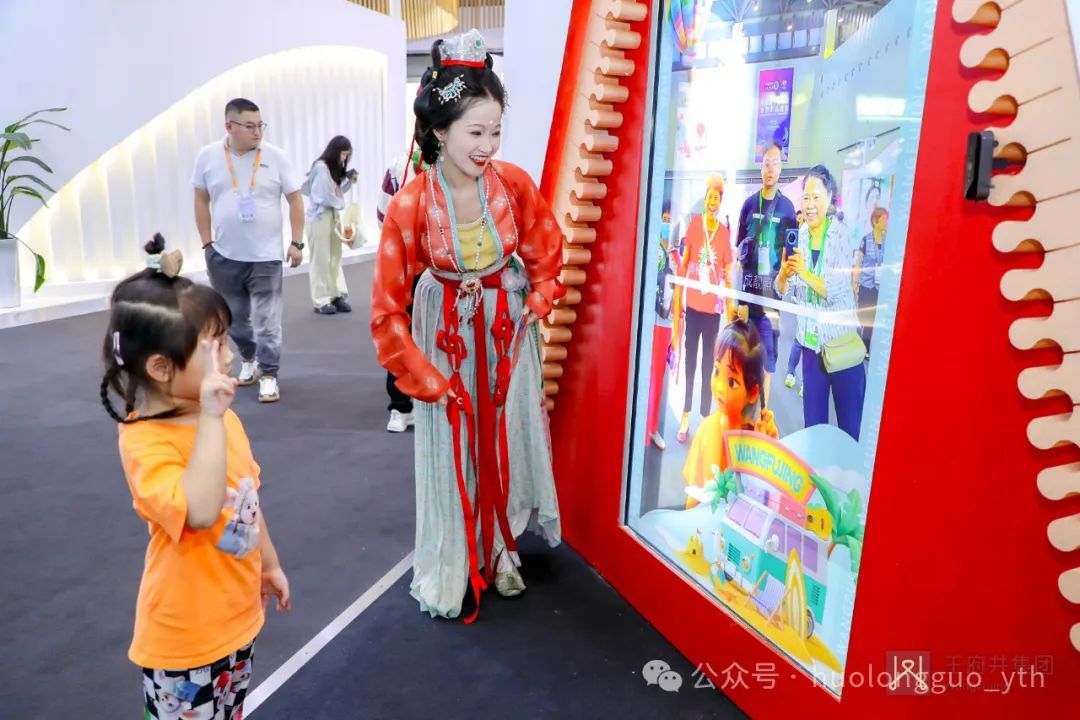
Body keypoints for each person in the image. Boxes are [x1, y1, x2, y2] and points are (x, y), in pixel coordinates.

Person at [370, 29, 564, 621]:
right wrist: (421, 375)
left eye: (495, 132)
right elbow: (386, 309)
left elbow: (546, 250)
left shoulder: (514, 184)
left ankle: (503, 548)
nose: (487, 146)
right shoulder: (410, 204)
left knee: (504, 440)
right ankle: (459, 556)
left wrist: (536, 301)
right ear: (439, 131)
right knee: (457, 446)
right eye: (475, 132)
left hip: (506, 334)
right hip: (445, 338)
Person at [101, 234, 291, 719]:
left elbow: (247, 498)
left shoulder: (225, 421)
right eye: (214, 346)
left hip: (238, 622)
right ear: (161, 367)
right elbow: (201, 511)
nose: (227, 357)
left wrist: (268, 566)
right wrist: (210, 417)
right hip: (184, 644)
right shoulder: (145, 440)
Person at [193, 98, 304, 404]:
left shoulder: (276, 157)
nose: (257, 132)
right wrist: (207, 244)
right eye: (250, 126)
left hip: (266, 257)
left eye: (260, 125)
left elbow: (295, 199)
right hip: (224, 255)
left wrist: (296, 242)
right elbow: (200, 199)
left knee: (267, 320)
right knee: (235, 319)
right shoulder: (207, 157)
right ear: (229, 126)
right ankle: (249, 357)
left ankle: (269, 374)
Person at [776, 165, 866, 441]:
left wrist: (803, 272)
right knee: (813, 429)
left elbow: (836, 291)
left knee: (849, 428)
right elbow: (781, 290)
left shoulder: (841, 234)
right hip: (810, 347)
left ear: (829, 198)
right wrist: (785, 274)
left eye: (816, 197)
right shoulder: (800, 236)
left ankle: (847, 471)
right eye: (806, 197)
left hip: (841, 345)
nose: (810, 204)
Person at [683, 319, 777, 509]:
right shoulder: (705, 429)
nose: (719, 387)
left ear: (752, 393)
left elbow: (767, 495)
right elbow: (693, 495)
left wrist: (769, 445)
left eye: (732, 382)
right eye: (717, 371)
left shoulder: (754, 438)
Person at [733, 141, 798, 408]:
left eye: (775, 163)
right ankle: (743, 416)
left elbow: (790, 260)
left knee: (768, 365)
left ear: (781, 168)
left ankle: (762, 417)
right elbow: (740, 254)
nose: (770, 169)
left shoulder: (788, 209)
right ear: (761, 168)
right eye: (766, 163)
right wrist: (738, 301)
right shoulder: (749, 205)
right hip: (747, 303)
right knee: (743, 361)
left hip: (771, 305)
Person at [671, 174, 732, 444]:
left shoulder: (725, 233)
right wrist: (678, 298)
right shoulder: (695, 225)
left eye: (717, 198)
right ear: (705, 199)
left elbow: (728, 274)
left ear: (721, 201)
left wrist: (730, 309)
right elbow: (684, 264)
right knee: (690, 364)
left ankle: (705, 419)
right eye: (709, 197)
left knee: (709, 365)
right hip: (693, 309)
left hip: (712, 313)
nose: (712, 202)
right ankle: (685, 416)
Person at [377, 146, 428, 432]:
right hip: (406, 267)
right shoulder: (400, 167)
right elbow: (382, 214)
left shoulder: (460, 163)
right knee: (401, 332)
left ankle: (429, 403)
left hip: (443, 269)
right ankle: (400, 405)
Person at [302, 135, 358, 315]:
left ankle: (336, 294)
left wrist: (348, 181)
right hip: (319, 218)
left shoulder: (333, 169)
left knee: (335, 257)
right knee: (320, 259)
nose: (344, 158)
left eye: (347, 155)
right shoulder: (321, 168)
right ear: (335, 151)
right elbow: (323, 197)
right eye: (343, 154)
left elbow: (337, 193)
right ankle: (321, 300)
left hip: (332, 216)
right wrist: (340, 203)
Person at [645, 199, 679, 450]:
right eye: (664, 220)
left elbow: (678, 294)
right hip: (651, 321)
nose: (667, 225)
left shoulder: (676, 256)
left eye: (670, 221)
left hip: (666, 324)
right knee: (648, 374)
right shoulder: (653, 250)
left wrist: (677, 330)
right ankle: (643, 427)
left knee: (659, 378)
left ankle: (653, 428)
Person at [853, 207, 888, 351]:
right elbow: (858, 263)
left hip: (880, 288)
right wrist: (855, 282)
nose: (886, 222)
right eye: (884, 219)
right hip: (866, 286)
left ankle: (865, 347)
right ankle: (859, 338)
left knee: (872, 319)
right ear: (875, 221)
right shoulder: (865, 240)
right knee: (863, 317)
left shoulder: (888, 241)